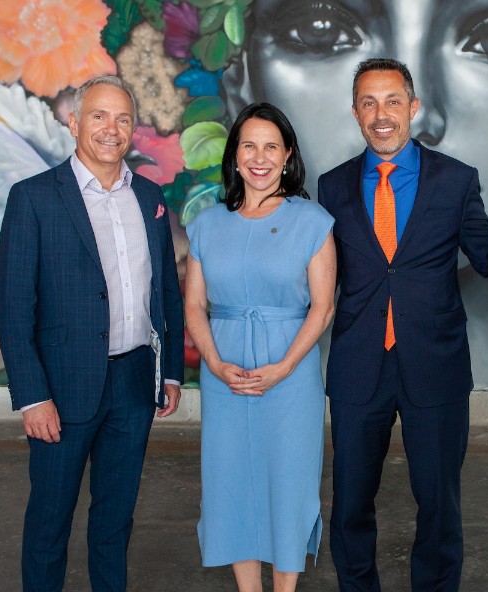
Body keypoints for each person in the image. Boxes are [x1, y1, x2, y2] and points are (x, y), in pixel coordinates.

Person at [226, 0, 488, 386]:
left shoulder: (458, 181)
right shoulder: (332, 186)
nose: (390, 119)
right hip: (353, 376)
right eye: (321, 30)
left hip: (438, 375)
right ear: (241, 85)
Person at [0, 75, 184, 591]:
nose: (111, 128)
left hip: (133, 384)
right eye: (99, 116)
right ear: (74, 123)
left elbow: (165, 289)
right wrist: (33, 397)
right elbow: (13, 309)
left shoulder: (149, 196)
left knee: (115, 522)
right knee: (49, 523)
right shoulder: (33, 198)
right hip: (61, 388)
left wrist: (170, 375)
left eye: (123, 118)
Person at [318, 58, 488, 592]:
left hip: (434, 366)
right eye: (368, 103)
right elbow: (315, 273)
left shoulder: (457, 180)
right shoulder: (331, 187)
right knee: (349, 501)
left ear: (413, 108)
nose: (381, 114)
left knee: (439, 503)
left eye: (392, 101)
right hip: (357, 366)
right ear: (355, 113)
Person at [183, 102, 337, 592]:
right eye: (249, 145)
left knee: (287, 486)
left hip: (290, 379)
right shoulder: (207, 224)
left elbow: (323, 306)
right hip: (223, 374)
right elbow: (193, 307)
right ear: (234, 156)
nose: (260, 157)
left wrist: (284, 367)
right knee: (231, 488)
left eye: (271, 146)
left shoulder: (312, 221)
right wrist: (214, 362)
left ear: (288, 155)